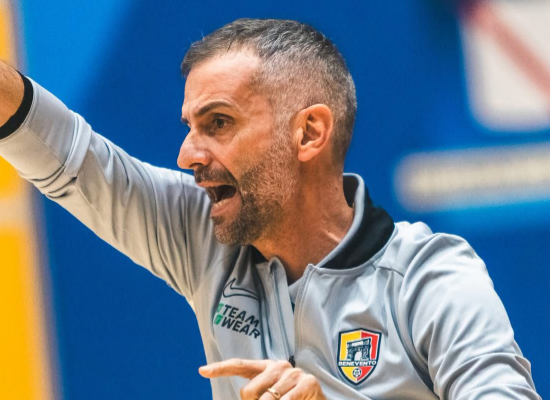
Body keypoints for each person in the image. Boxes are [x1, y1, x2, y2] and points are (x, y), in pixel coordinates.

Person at [0, 18, 540, 400]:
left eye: (218, 124)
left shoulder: (430, 278)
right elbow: (69, 157)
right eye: (190, 127)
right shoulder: (204, 237)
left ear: (309, 133)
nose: (188, 155)